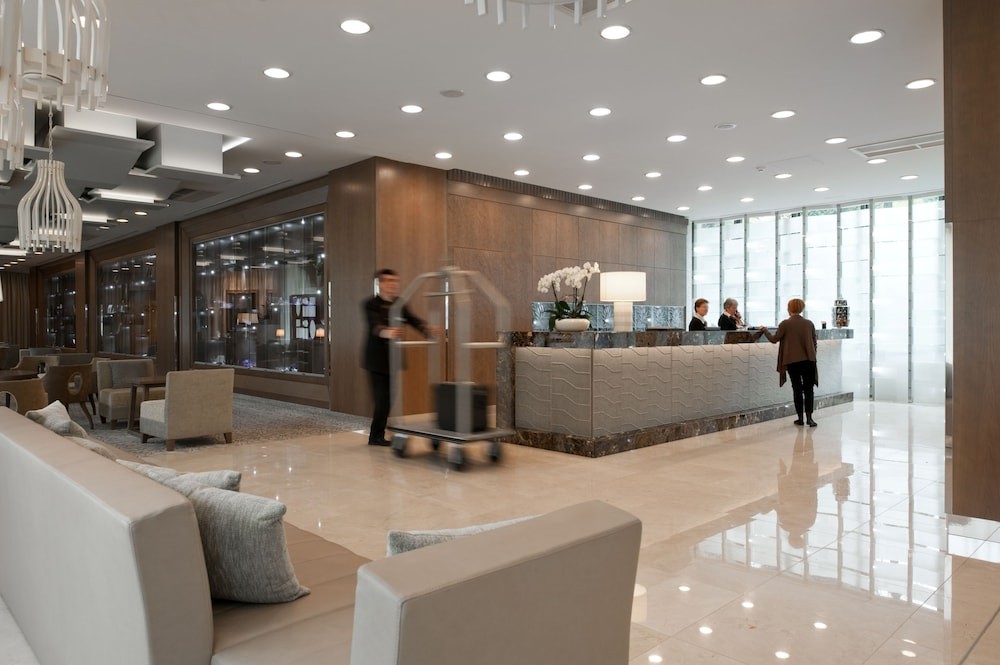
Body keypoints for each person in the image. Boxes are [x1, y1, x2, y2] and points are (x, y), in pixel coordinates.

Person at [362, 269, 435, 446]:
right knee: (382, 399)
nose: (392, 284)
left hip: (393, 360)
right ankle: (375, 436)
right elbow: (374, 325)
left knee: (389, 399)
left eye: (394, 281)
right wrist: (387, 332)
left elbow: (413, 320)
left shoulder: (399, 303)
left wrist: (428, 329)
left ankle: (378, 434)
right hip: (376, 360)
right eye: (387, 281)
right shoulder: (370, 304)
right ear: (380, 283)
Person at [760, 298, 818, 427]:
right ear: (802, 308)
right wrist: (812, 355)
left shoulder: (785, 324)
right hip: (809, 361)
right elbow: (814, 342)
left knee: (797, 389)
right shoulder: (809, 323)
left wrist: (764, 330)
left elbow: (774, 339)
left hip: (792, 361)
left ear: (789, 308)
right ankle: (810, 419)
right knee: (809, 389)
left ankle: (800, 419)